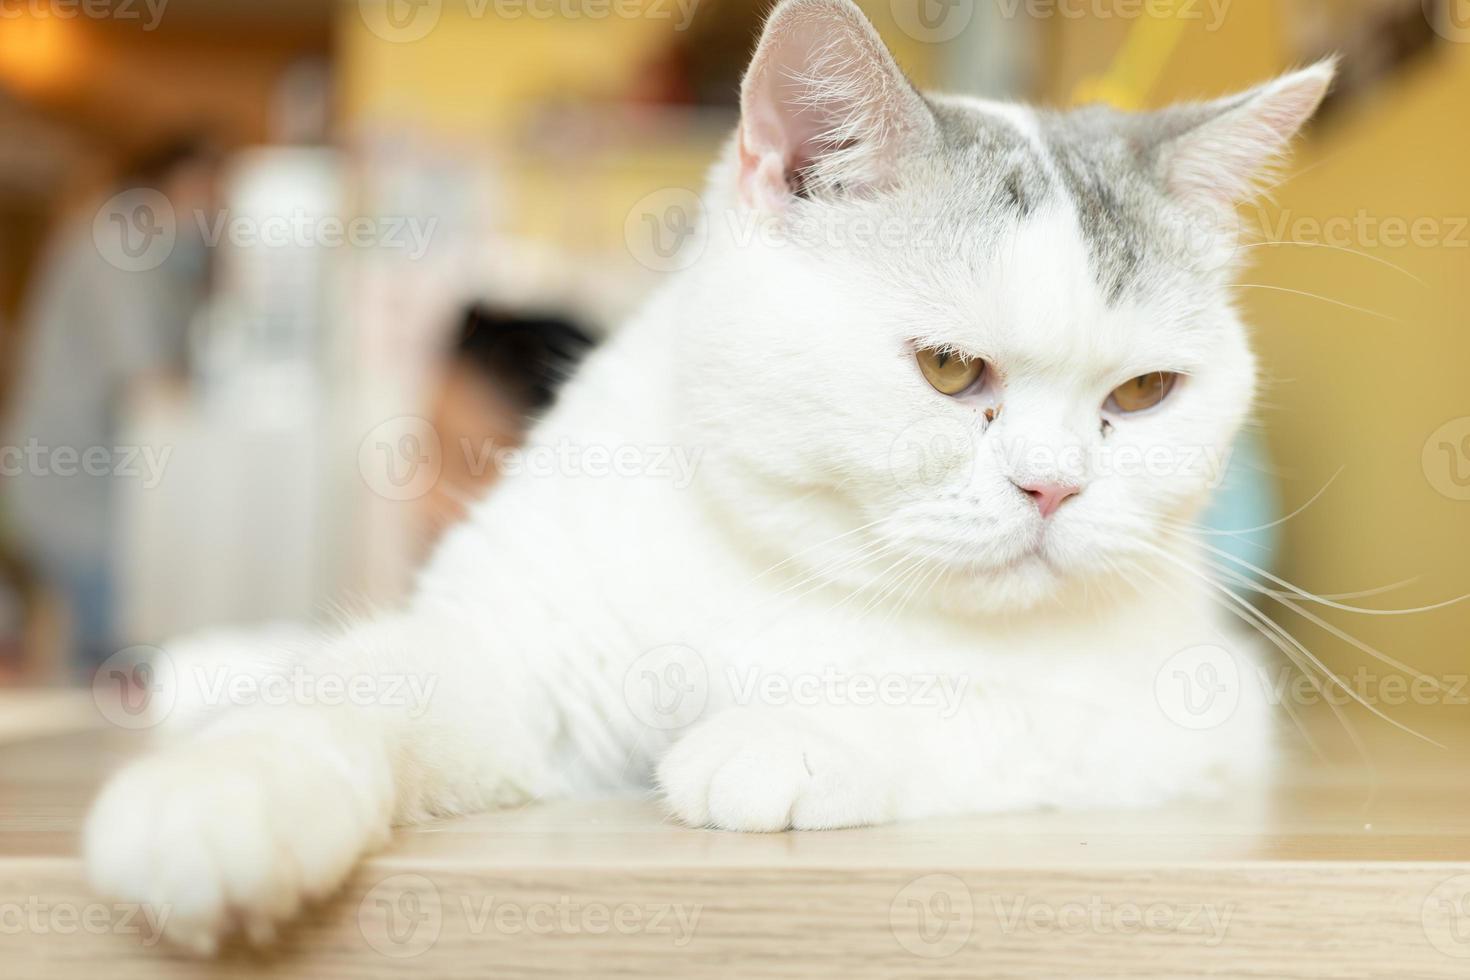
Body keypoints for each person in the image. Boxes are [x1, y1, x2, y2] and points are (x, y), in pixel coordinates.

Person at [0, 137, 220, 675]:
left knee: (94, 650)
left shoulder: (155, 258)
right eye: (212, 194)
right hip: (72, 491)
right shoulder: (120, 242)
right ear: (177, 185)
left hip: (88, 489)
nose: (218, 213)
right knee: (106, 660)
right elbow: (150, 380)